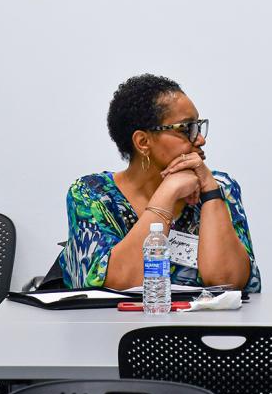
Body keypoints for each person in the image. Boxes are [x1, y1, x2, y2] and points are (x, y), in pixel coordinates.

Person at [60, 74, 261, 292]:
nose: (201, 140)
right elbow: (118, 284)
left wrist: (211, 193)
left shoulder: (220, 186)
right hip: (119, 326)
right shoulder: (92, 194)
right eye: (186, 129)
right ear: (143, 142)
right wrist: (168, 193)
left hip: (204, 326)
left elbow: (228, 282)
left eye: (199, 127)